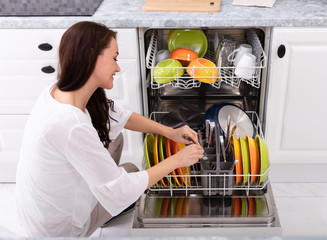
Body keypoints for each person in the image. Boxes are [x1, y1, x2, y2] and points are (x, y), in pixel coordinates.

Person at [15, 21, 204, 237]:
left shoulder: (58, 90)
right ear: (90, 57)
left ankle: (103, 190)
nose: (118, 67)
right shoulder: (70, 124)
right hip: (61, 229)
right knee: (129, 177)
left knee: (122, 150)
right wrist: (178, 160)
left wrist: (170, 132)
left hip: (38, 211)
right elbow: (122, 189)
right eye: (114, 58)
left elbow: (120, 116)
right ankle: (102, 202)